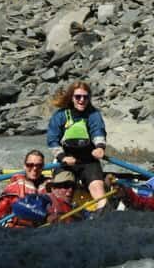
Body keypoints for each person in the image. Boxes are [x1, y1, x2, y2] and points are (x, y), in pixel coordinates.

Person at [46, 81, 109, 209]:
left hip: (88, 160)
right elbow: (52, 140)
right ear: (71, 97)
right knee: (63, 189)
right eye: (78, 97)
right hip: (66, 161)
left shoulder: (93, 114)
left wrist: (100, 147)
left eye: (85, 97)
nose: (82, 100)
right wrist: (63, 157)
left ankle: (104, 211)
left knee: (98, 188)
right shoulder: (60, 116)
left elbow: (97, 131)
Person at [0, 150, 49, 225]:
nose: (34, 169)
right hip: (19, 229)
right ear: (25, 166)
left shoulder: (51, 186)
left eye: (38, 165)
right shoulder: (15, 187)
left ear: (43, 167)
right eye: (30, 165)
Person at [8, 171, 84, 226]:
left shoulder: (77, 209)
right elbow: (18, 205)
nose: (70, 190)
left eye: (73, 187)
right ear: (53, 188)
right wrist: (46, 217)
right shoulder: (46, 199)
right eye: (66, 186)